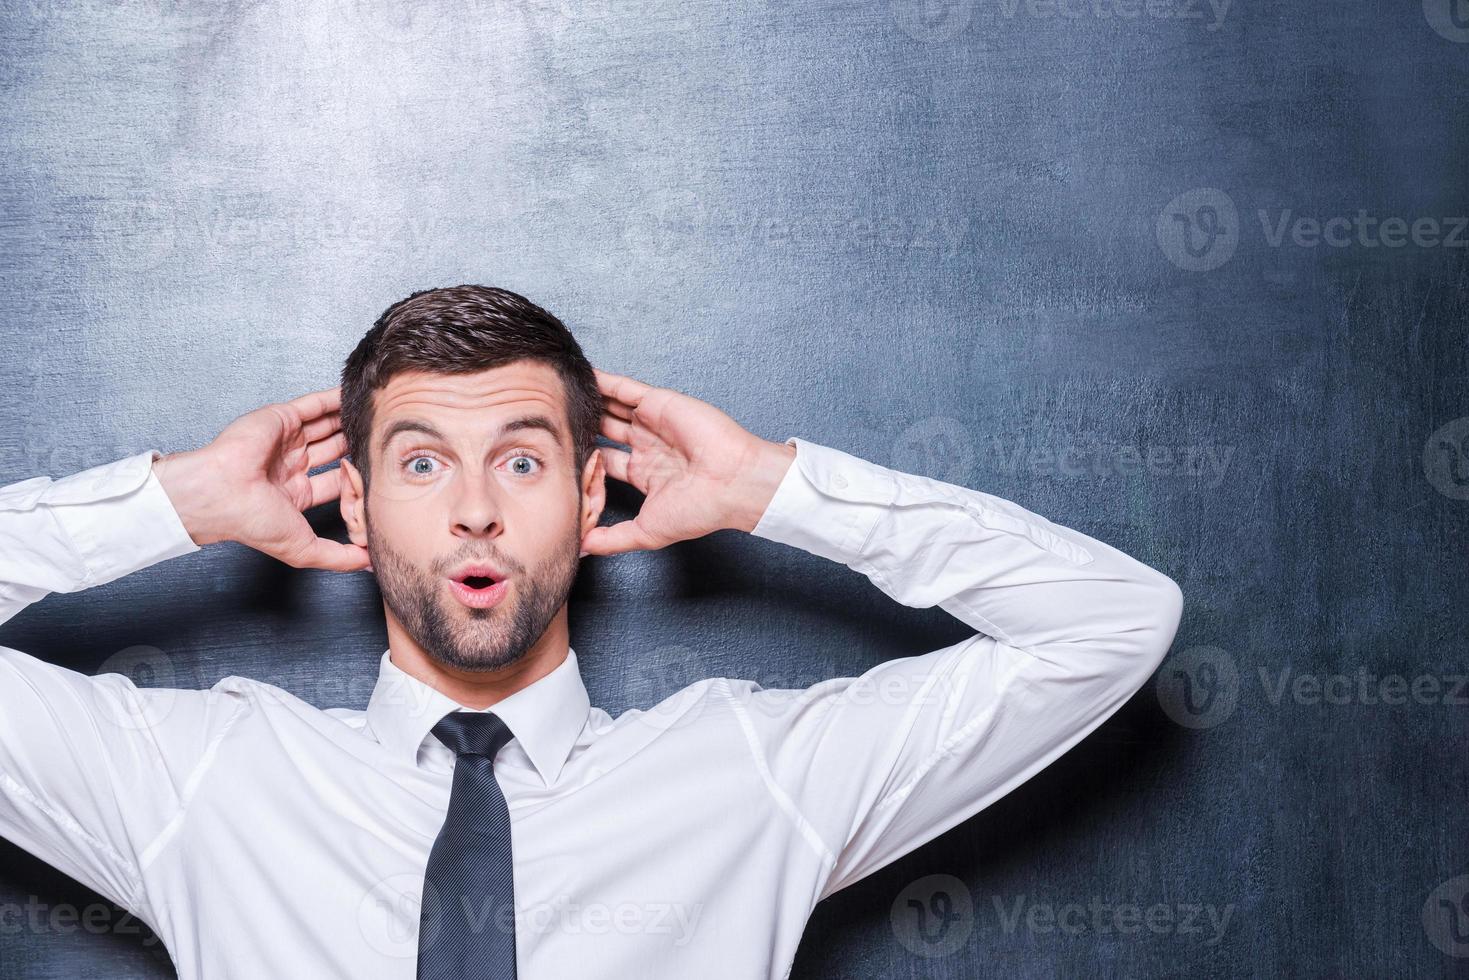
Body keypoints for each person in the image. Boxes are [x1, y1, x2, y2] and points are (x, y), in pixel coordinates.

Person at [0, 284, 1183, 979]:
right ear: (353, 500)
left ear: (585, 494)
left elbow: (1110, 624)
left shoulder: (748, 776)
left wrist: (777, 487)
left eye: (520, 458)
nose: (473, 505)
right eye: (420, 463)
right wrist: (168, 504)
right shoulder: (197, 782)